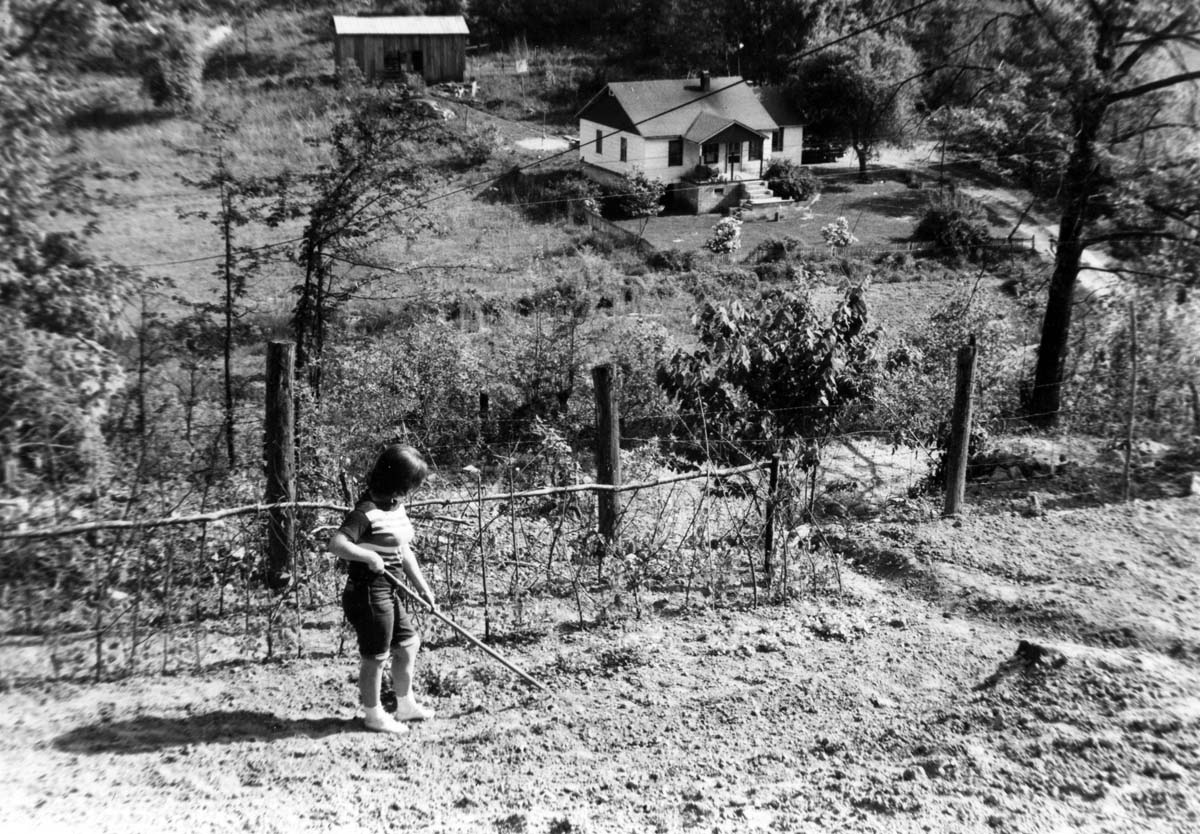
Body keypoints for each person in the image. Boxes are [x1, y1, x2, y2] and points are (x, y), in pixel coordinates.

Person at [328, 444, 438, 734]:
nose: (413, 490)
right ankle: (374, 715)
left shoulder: (396, 506)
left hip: (389, 591)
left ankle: (405, 705)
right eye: (412, 484)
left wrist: (423, 587)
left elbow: (403, 550)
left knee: (408, 644)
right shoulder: (365, 512)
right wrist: (368, 556)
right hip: (368, 592)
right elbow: (337, 544)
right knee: (376, 656)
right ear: (396, 481)